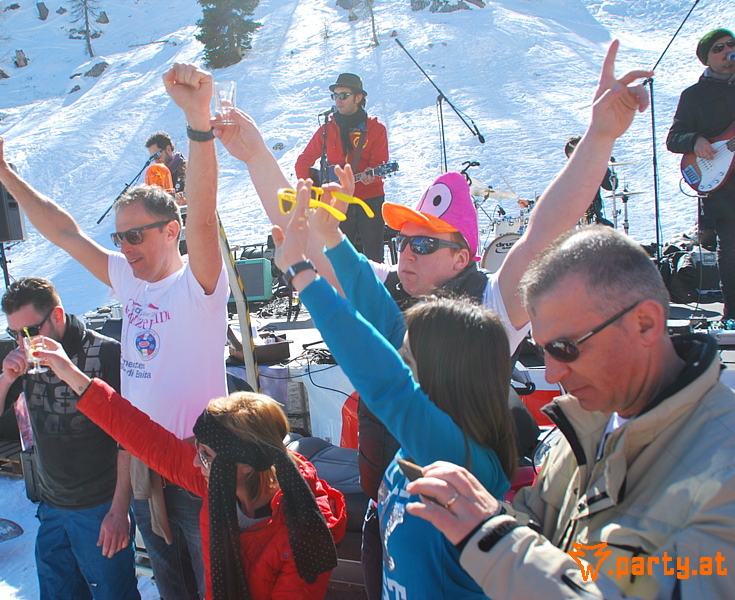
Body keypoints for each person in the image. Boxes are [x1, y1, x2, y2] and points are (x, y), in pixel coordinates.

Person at [215, 40, 651, 598]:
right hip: (390, 501)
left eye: (423, 242)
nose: (407, 254)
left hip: (447, 515)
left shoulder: (491, 308)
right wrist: (254, 153)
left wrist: (599, 137)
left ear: (464, 257)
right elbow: (303, 230)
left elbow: (548, 225)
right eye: (402, 241)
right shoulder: (400, 299)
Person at [0, 63, 228, 600]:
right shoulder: (128, 282)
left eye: (135, 235)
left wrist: (197, 122)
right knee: (173, 588)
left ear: (171, 231)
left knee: (217, 587)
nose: (125, 246)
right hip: (145, 465)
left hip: (197, 465)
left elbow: (204, 215)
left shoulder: (198, 284)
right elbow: (63, 228)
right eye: (119, 236)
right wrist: (2, 172)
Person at [405, 226, 735, 599]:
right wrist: (471, 513)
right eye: (543, 348)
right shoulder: (587, 422)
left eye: (565, 347)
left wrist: (491, 536)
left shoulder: (724, 469)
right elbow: (541, 534)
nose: (551, 373)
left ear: (645, 323)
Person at [271, 176, 518, 599]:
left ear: (446, 368)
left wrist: (303, 277)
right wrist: (331, 236)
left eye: (408, 351)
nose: (397, 351)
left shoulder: (459, 457)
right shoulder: (435, 434)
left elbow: (385, 383)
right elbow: (381, 315)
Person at [29, 336, 346, 600]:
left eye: (206, 455)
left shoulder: (304, 535)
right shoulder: (220, 481)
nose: (196, 462)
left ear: (246, 465)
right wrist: (69, 371)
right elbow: (142, 436)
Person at [0, 277, 139, 600]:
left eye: (30, 331)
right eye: (14, 333)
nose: (23, 341)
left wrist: (120, 509)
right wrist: (6, 379)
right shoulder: (26, 360)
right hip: (52, 507)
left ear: (57, 316)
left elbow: (128, 438)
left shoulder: (104, 352)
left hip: (99, 507)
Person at [667, 28, 735, 319]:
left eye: (732, 44)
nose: (727, 51)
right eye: (719, 48)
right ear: (707, 58)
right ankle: (732, 312)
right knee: (731, 249)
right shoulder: (694, 96)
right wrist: (695, 141)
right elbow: (674, 138)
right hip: (723, 187)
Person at [294, 73, 390, 262]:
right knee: (342, 257)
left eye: (343, 95)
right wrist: (311, 192)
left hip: (369, 198)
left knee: (373, 257)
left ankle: (375, 290)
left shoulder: (376, 129)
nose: (338, 100)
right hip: (337, 202)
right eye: (335, 96)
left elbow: (379, 164)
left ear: (358, 98)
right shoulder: (326, 129)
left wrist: (373, 175)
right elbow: (303, 162)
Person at [564, 135, 617, 227]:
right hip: (571, 219)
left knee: (608, 229)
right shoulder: (564, 175)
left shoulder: (595, 169)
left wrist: (603, 166)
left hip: (594, 216)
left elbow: (610, 186)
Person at [145, 131, 187, 196]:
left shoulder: (188, 169)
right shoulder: (157, 176)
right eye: (153, 157)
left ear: (168, 149)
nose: (156, 160)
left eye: (157, 155)